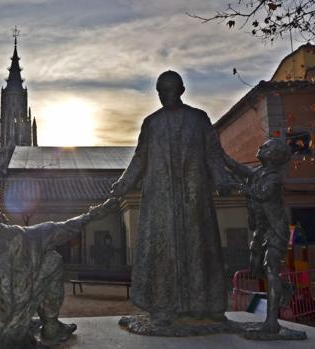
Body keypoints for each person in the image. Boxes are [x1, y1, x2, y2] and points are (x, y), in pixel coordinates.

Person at [0, 175, 115, 349]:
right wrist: (90, 216)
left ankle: (36, 325)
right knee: (52, 261)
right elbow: (52, 231)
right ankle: (51, 327)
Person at [111, 70, 230, 325]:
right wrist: (124, 183)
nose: (165, 95)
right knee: (162, 251)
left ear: (182, 90)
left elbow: (213, 153)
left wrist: (222, 179)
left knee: (198, 248)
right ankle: (163, 305)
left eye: (170, 89)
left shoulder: (199, 119)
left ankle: (202, 305)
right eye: (161, 91)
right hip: (161, 199)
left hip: (193, 195)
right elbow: (140, 157)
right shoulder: (151, 123)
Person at [224, 138, 293, 333]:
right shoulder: (257, 172)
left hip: (275, 229)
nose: (262, 146)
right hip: (260, 230)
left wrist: (239, 187)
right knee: (256, 269)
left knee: (270, 269)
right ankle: (284, 288)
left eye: (267, 146)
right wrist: (216, 151)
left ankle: (272, 322)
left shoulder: (274, 178)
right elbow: (236, 167)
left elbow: (262, 194)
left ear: (276, 156)